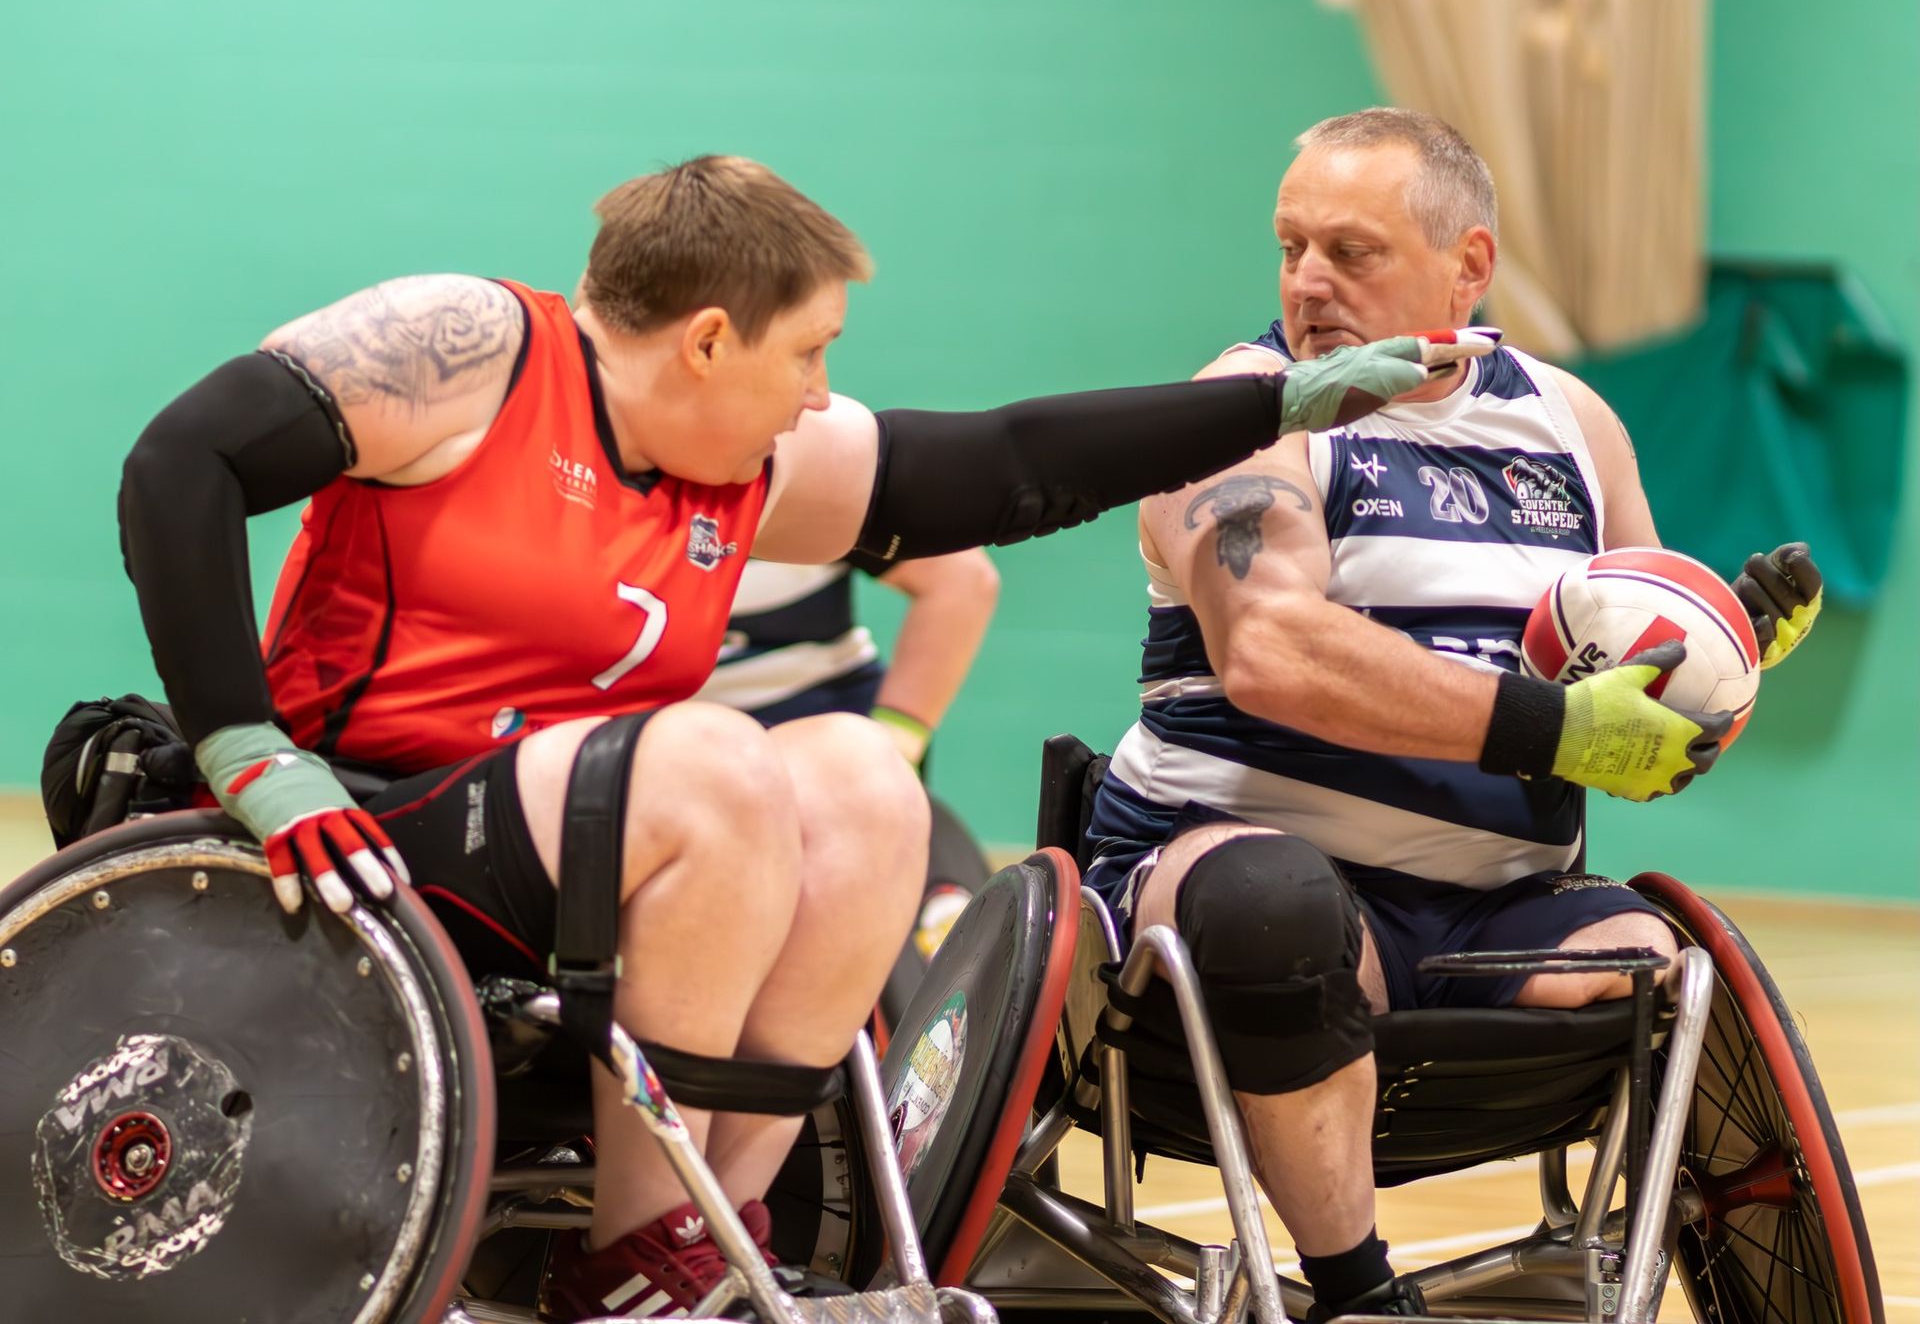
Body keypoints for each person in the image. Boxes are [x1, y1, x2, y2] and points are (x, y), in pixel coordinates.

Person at [115, 153, 1490, 1322]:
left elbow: (1012, 462)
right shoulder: (470, 351)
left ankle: (713, 1242)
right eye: (811, 350)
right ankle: (633, 1256)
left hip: (576, 841)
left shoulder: (752, 461)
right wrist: (244, 746)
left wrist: (1283, 401)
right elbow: (183, 461)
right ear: (711, 340)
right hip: (365, 826)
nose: (822, 392)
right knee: (714, 758)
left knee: (860, 781)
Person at [1081, 109, 1825, 1320]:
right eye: (1290, 247)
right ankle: (1357, 1293)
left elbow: (1635, 708)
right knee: (1279, 904)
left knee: (1659, 966)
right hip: (1230, 882)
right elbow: (1272, 650)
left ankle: (1612, 1267)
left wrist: (1721, 662)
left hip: (1492, 910)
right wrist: (1551, 731)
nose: (1307, 281)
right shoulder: (1240, 412)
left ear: (1467, 264)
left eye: (1351, 252)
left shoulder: (1572, 425)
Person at [694, 550, 1000, 1019]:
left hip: (821, 755)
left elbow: (963, 581)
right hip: (684, 769)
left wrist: (889, 758)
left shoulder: (799, 502)